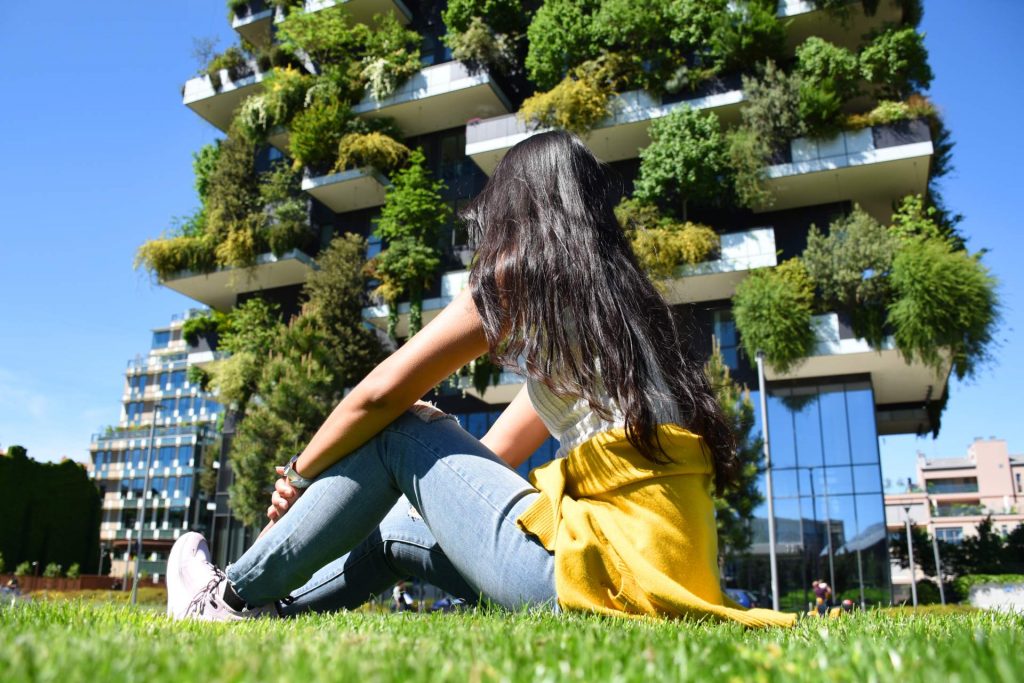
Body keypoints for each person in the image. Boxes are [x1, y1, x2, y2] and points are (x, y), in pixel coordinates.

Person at [165, 131, 795, 628]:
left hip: (601, 583)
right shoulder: (624, 325)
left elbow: (378, 396)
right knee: (400, 527)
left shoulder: (519, 280)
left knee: (401, 426)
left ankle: (229, 595)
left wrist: (298, 477)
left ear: (518, 208)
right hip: (648, 584)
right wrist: (423, 476)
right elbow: (486, 463)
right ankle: (260, 612)